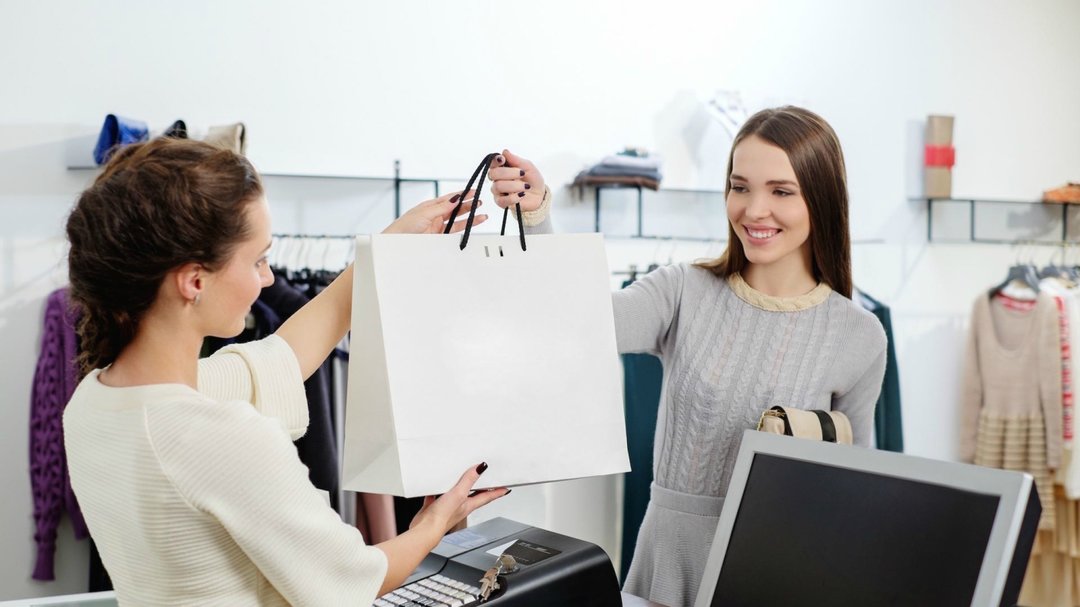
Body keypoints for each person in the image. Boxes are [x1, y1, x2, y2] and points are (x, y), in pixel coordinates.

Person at [62, 138, 508, 606]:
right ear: (194, 281)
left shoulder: (94, 403)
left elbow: (280, 359)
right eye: (258, 259)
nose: (270, 278)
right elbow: (351, 579)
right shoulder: (219, 437)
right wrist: (433, 525)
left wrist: (387, 246)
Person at [488, 106, 888, 606]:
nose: (754, 210)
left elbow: (854, 494)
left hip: (779, 576)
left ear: (821, 199)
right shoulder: (683, 290)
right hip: (668, 567)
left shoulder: (859, 335)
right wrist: (537, 215)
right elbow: (580, 320)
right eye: (740, 187)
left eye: (781, 191)